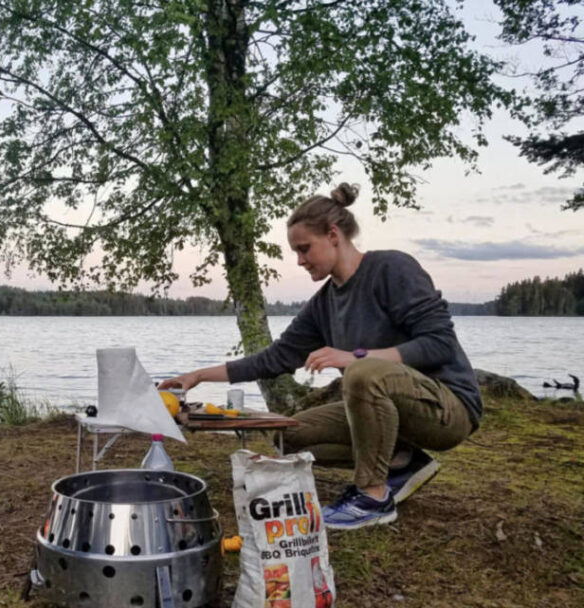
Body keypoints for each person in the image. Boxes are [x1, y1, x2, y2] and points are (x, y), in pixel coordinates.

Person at [159, 183, 482, 530]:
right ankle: (402, 461)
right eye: (295, 252)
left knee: (362, 373)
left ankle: (373, 497)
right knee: (290, 437)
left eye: (304, 249)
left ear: (333, 235)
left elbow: (440, 343)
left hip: (447, 408)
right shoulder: (324, 304)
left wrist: (356, 356)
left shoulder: (391, 268)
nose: (299, 260)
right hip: (392, 413)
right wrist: (197, 376)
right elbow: (274, 358)